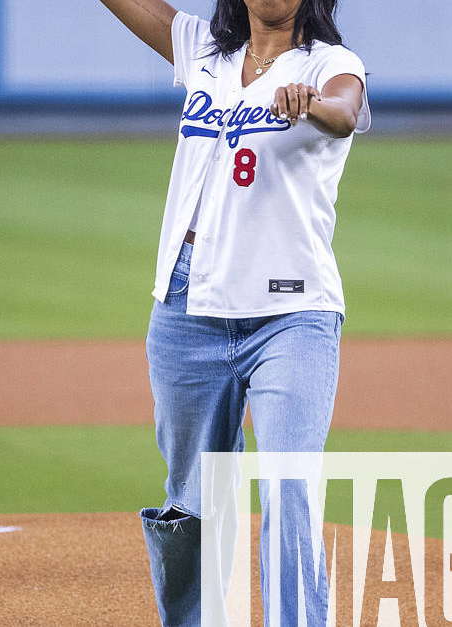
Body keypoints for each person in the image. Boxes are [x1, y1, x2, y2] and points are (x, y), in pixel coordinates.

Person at [100, 0, 371, 623]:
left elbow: (345, 110)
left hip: (292, 313)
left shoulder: (331, 63)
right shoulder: (201, 50)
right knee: (191, 503)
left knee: (288, 487)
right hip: (186, 307)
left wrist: (315, 106)